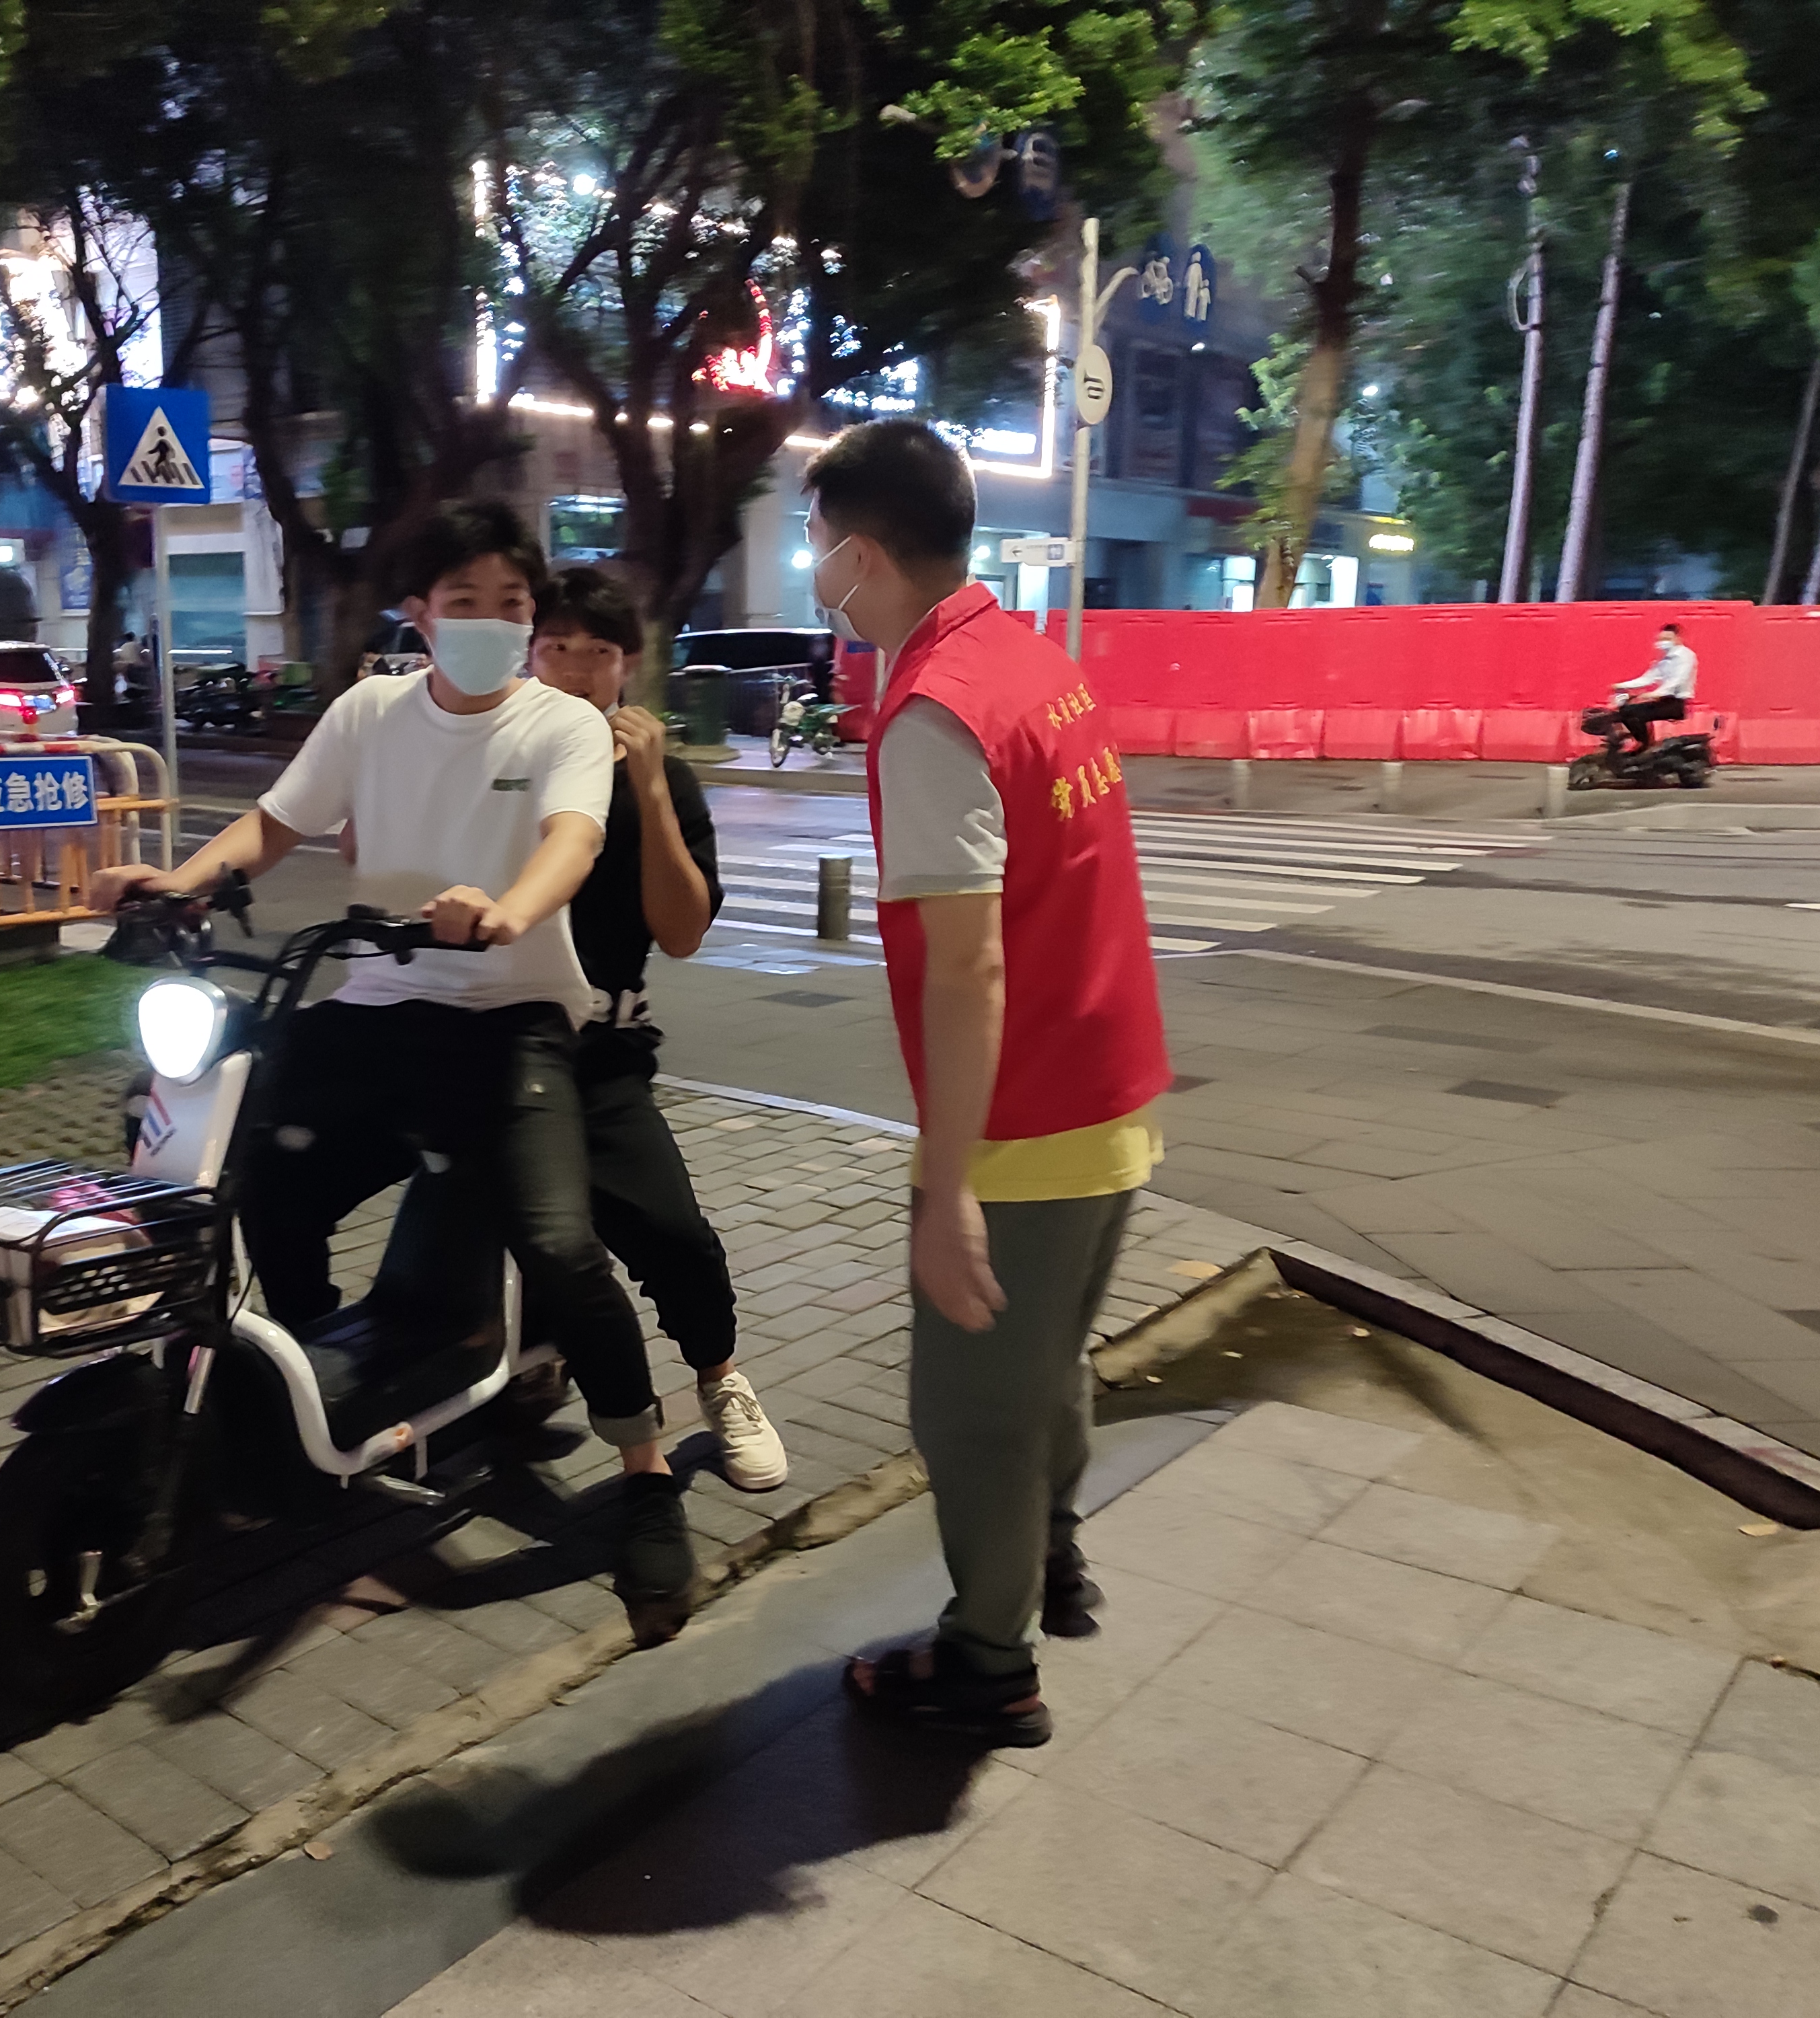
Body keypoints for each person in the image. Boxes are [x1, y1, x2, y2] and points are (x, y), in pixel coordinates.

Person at [88, 501, 699, 1627]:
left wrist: (507, 912)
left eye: (512, 603)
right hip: (378, 1003)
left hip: (511, 1016)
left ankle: (646, 1471)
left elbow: (573, 841)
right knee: (249, 1171)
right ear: (419, 613)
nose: (493, 622)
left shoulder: (559, 726)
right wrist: (179, 883)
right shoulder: (370, 713)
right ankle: (309, 1379)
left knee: (561, 1246)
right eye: (465, 601)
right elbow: (273, 825)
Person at [806, 420, 1171, 1747]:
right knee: (1044, 1370)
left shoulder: (932, 711)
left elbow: (967, 969)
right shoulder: (1027, 662)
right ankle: (1051, 1560)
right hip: (1111, 1090)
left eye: (815, 543)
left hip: (1025, 1123)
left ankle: (985, 1662)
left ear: (860, 553)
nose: (812, 568)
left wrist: (947, 1187)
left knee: (967, 1417)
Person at [525, 567, 788, 1493]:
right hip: (486, 1043)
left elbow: (680, 932)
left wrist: (648, 786)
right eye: (557, 647)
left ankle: (720, 1379)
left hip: (600, 1054)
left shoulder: (660, 779)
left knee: (671, 1232)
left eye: (598, 652)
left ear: (628, 667)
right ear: (529, 655)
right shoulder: (494, 761)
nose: (575, 669)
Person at [1611, 622, 1697, 752]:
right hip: (1664, 701)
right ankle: (1644, 744)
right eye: (1661, 639)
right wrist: (1621, 685)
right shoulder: (1665, 660)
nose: (1663, 642)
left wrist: (1656, 693)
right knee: (1625, 711)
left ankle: (1644, 747)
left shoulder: (1685, 656)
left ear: (1678, 639)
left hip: (1675, 703)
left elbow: (1678, 680)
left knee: (1633, 713)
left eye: (1667, 639)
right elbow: (1648, 678)